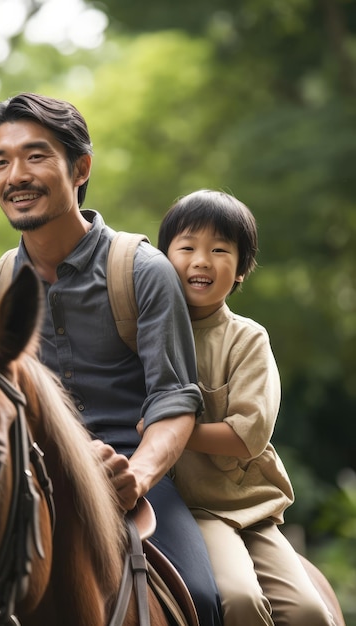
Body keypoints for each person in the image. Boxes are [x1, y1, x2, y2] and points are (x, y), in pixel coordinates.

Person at [0, 93, 223, 624]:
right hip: (30, 489)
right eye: (0, 161)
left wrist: (138, 475)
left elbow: (174, 400)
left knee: (205, 597)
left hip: (135, 480)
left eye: (36, 156)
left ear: (80, 168)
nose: (15, 175)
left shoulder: (144, 271)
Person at [157, 189, 335, 626]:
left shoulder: (248, 339)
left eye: (220, 250)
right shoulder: (148, 330)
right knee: (239, 599)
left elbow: (246, 436)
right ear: (162, 259)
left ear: (240, 270)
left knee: (312, 612)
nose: (202, 260)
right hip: (192, 510)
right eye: (187, 247)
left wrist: (169, 430)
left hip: (251, 508)